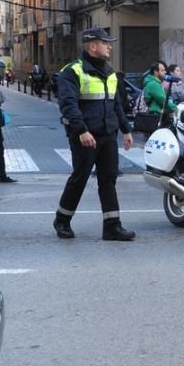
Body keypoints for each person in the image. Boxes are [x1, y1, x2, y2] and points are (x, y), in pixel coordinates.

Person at [52, 29, 135, 241]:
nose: (110, 46)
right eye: (105, 43)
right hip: (85, 136)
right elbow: (68, 105)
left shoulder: (109, 72)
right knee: (80, 178)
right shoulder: (72, 71)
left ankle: (112, 227)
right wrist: (81, 131)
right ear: (92, 46)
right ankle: (62, 220)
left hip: (107, 134)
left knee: (108, 180)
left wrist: (126, 129)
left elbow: (116, 103)